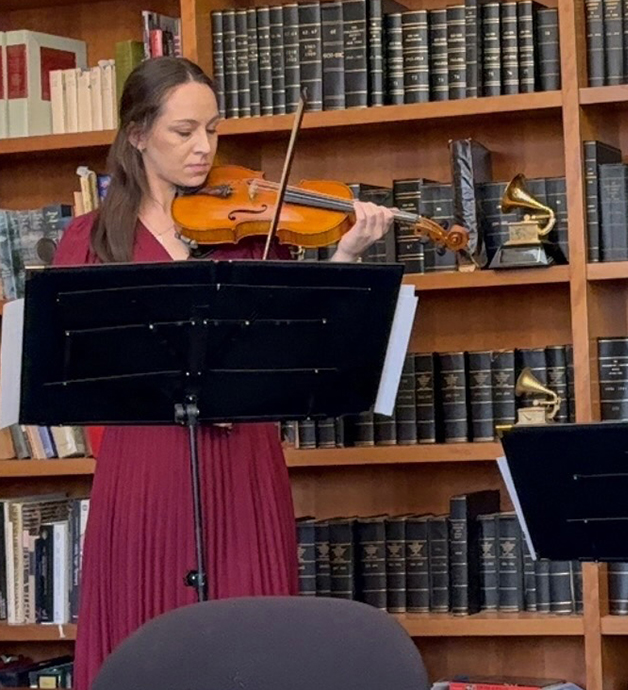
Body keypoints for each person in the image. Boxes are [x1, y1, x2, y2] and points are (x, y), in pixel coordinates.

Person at [52, 57, 396, 690]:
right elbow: (79, 368)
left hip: (243, 462)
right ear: (137, 134)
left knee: (251, 644)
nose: (204, 148)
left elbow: (299, 346)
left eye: (212, 129)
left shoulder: (250, 233)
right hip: (144, 467)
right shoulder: (91, 240)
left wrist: (345, 255)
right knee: (147, 636)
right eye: (184, 132)